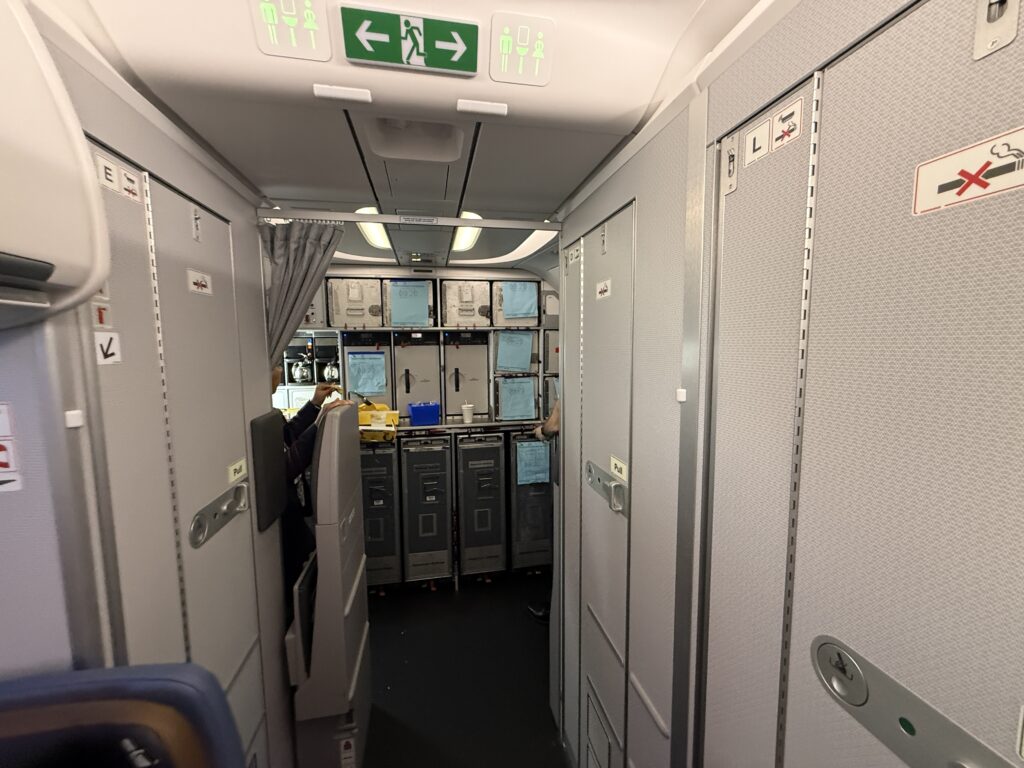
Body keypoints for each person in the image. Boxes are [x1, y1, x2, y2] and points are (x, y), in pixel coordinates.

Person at [272, 367, 351, 613]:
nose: (279, 370)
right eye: (275, 365)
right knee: (294, 574)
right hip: (282, 515)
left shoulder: (268, 411)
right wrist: (321, 421)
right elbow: (286, 464)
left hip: (291, 512)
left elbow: (289, 434)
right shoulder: (258, 413)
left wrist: (316, 404)